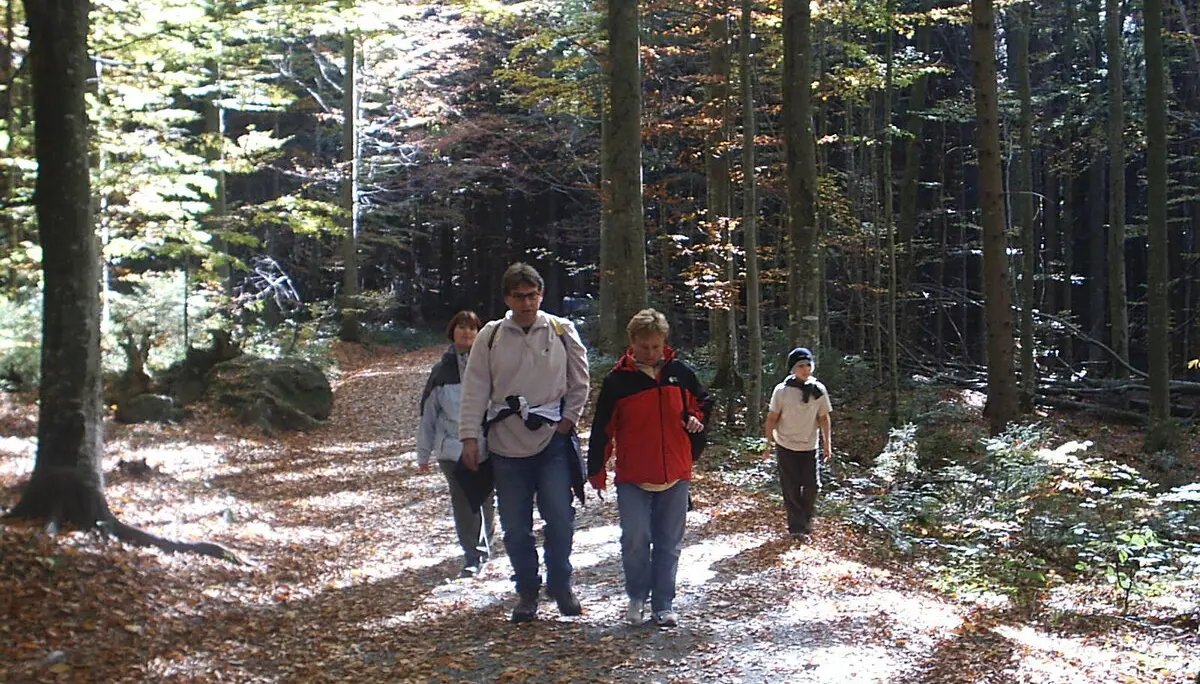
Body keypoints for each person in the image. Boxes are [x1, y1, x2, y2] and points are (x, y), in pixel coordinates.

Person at [458, 263, 590, 623]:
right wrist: (470, 435)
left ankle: (561, 584)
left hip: (552, 441)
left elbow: (579, 381)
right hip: (504, 444)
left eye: (532, 295)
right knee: (516, 526)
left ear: (541, 295)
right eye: (519, 296)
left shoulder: (562, 330)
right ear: (507, 298)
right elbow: (475, 388)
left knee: (560, 518)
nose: (527, 302)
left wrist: (568, 422)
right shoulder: (490, 335)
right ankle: (527, 591)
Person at [587, 308, 711, 628]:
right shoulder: (618, 381)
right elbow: (603, 428)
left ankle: (664, 602)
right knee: (635, 539)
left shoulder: (680, 373)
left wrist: (696, 419)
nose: (652, 353)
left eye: (657, 346)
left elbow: (702, 404)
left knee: (669, 542)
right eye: (645, 347)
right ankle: (637, 597)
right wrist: (596, 470)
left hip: (676, 471)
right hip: (633, 475)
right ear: (632, 343)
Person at [417, 310, 496, 578]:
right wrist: (423, 454)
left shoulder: (491, 365)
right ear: (452, 331)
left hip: (489, 445)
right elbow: (428, 414)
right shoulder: (441, 371)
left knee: (485, 498)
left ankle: (485, 547)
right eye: (461, 327)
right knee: (464, 501)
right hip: (451, 448)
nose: (466, 332)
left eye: (472, 328)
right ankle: (472, 555)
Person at [763, 347, 833, 542]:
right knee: (791, 487)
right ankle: (796, 528)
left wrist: (828, 444)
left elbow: (824, 418)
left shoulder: (818, 390)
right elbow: (772, 418)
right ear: (793, 369)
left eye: (808, 364)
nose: (805, 369)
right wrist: (767, 444)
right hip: (785, 445)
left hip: (809, 446)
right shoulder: (782, 391)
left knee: (813, 486)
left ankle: (807, 519)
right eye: (801, 365)